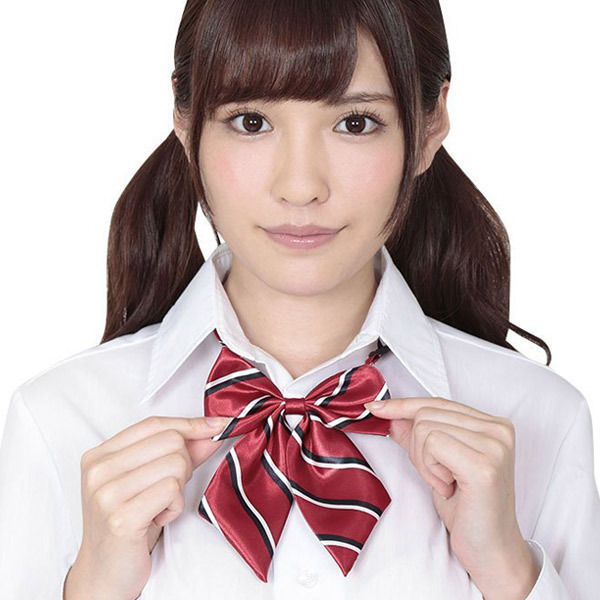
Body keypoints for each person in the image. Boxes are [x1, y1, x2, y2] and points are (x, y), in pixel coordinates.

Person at [1, 0, 599, 599]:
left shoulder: (541, 421)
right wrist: (93, 588)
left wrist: (509, 572)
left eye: (355, 123)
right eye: (251, 121)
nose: (300, 187)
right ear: (185, 121)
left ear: (430, 126)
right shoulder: (59, 422)